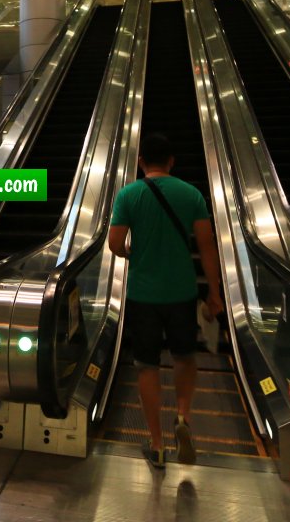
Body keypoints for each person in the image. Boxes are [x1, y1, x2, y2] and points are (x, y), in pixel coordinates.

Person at [108, 133, 223, 469]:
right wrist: (213, 293)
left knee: (147, 365)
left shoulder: (129, 194)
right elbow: (207, 246)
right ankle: (183, 417)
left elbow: (115, 244)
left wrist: (134, 252)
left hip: (143, 293)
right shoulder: (192, 194)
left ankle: (156, 442)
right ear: (171, 161)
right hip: (182, 292)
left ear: (141, 161)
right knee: (184, 357)